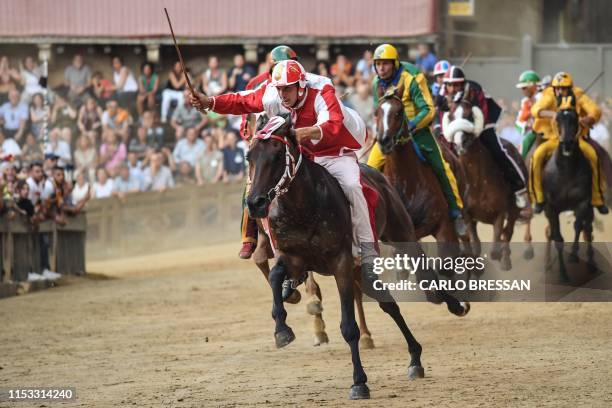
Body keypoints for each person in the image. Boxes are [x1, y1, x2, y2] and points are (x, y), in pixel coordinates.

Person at [189, 59, 379, 276]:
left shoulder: (322, 88)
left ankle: (368, 251)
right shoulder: (273, 92)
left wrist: (302, 133)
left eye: (287, 89)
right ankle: (280, 250)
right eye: (279, 89)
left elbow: (333, 124)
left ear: (301, 86)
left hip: (336, 151)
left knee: (353, 186)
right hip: (306, 153)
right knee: (269, 184)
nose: (282, 95)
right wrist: (210, 102)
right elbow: (243, 100)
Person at [366, 44, 466, 234]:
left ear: (394, 63)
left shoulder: (412, 78)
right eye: (378, 64)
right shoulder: (375, 84)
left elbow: (428, 109)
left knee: (441, 166)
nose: (381, 68)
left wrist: (411, 125)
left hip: (417, 132)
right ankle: (369, 218)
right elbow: (378, 112)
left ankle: (456, 210)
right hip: (389, 133)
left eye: (385, 64)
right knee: (369, 170)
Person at [442, 65, 530, 211]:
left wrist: (475, 131)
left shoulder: (475, 90)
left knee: (497, 150)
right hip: (456, 130)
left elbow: (481, 112)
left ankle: (518, 188)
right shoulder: (442, 93)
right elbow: (442, 114)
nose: (452, 88)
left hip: (483, 123)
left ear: (462, 83)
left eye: (456, 84)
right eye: (449, 85)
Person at [530, 71, 607, 214]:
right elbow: (535, 110)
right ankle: (538, 198)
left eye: (564, 88)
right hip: (553, 139)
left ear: (570, 88)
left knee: (593, 156)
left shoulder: (579, 95)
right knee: (536, 157)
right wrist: (553, 114)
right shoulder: (548, 95)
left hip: (576, 139)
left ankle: (597, 198)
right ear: (554, 88)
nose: (561, 91)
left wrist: (588, 119)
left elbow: (595, 110)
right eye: (558, 88)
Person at [515, 70, 541, 158]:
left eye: (524, 88)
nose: (523, 91)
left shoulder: (544, 98)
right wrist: (526, 125)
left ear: (533, 86)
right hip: (532, 133)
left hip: (549, 130)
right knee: (520, 150)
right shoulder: (525, 102)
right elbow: (518, 123)